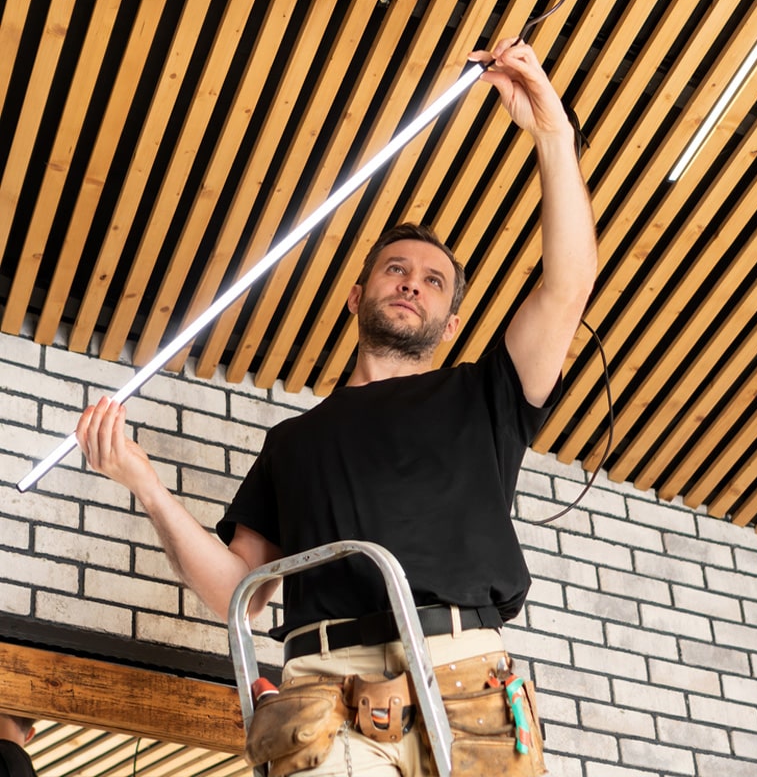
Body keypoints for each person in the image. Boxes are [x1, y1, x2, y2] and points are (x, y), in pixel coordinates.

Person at [76, 38, 596, 777]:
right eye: (395, 268)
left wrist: (553, 134)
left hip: (465, 675)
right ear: (357, 296)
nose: (412, 283)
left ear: (452, 323)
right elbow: (238, 595)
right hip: (323, 686)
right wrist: (144, 484)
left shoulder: (485, 394)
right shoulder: (294, 442)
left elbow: (568, 283)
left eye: (433, 281)